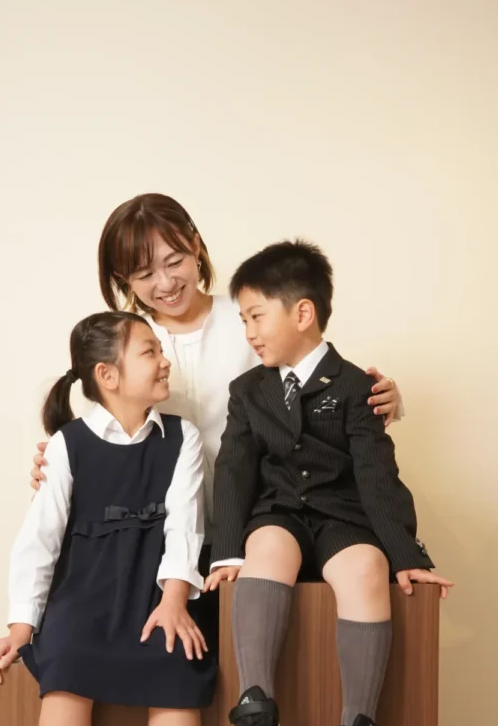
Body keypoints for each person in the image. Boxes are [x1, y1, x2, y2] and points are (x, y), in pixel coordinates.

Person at [0, 312, 216, 726]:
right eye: (150, 352)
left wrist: (174, 599)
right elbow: (39, 540)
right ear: (108, 375)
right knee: (63, 672)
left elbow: (185, 525)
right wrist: (21, 625)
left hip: (157, 589)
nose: (164, 360)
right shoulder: (68, 444)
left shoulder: (183, 437)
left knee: (178, 668)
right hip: (83, 591)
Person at [203, 240, 453, 726]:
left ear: (303, 313)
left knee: (367, 569)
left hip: (343, 519)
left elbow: (377, 476)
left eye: (256, 316)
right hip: (279, 515)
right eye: (243, 320)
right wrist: (226, 552)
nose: (249, 332)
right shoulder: (248, 391)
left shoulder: (358, 388)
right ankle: (256, 708)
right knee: (265, 549)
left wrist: (408, 555)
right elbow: (235, 471)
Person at [30, 194, 405, 543]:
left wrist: (385, 400)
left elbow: (318, 381)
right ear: (122, 279)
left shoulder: (250, 319)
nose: (166, 283)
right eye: (144, 275)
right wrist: (62, 464)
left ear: (195, 245)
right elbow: (103, 429)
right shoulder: (125, 344)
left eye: (174, 262)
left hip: (264, 526)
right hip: (163, 538)